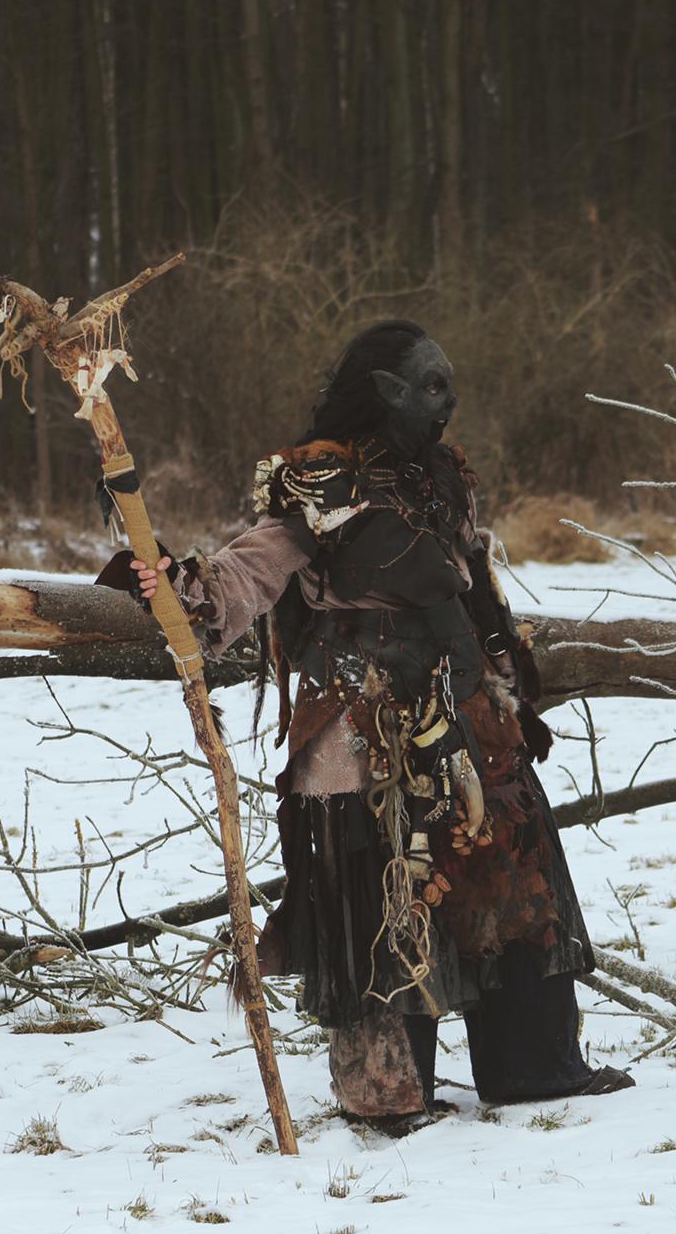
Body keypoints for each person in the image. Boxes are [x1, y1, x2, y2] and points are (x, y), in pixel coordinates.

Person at [125, 320, 633, 1128]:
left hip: (465, 711)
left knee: (509, 870)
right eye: (432, 384)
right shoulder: (322, 482)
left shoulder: (444, 479)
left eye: (449, 384)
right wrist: (180, 584)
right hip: (360, 722)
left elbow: (470, 585)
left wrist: (505, 681)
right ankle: (387, 1093)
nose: (449, 399)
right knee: (380, 894)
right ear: (388, 390)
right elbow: (252, 569)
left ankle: (532, 1066)